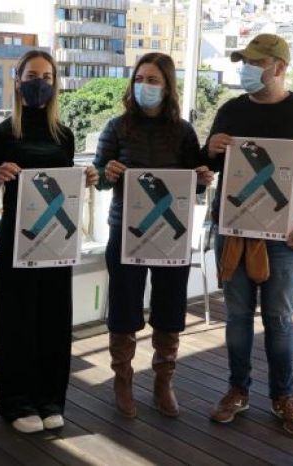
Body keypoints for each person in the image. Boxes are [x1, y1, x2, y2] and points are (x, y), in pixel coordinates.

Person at [202, 34, 293, 436]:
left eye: (255, 63)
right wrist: (210, 149)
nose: (246, 69)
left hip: (286, 235)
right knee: (238, 317)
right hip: (233, 229)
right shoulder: (229, 109)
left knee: (279, 318)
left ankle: (283, 396)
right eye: (244, 61)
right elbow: (205, 163)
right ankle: (237, 391)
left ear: (279, 67)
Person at [0, 50, 98, 434]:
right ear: (17, 80)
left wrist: (87, 180)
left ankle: (50, 399)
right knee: (17, 324)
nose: (40, 82)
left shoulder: (64, 134)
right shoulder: (0, 134)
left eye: (47, 76)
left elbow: (66, 187)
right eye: (33, 74)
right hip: (16, 240)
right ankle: (16, 404)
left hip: (57, 242)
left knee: (53, 321)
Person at [94, 52, 213, 419]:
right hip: (125, 230)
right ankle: (123, 381)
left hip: (171, 232)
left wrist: (202, 178)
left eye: (153, 80)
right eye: (140, 79)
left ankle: (164, 381)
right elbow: (98, 178)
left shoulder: (183, 131)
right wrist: (106, 173)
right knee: (125, 306)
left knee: (170, 306)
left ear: (168, 86)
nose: (145, 86)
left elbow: (194, 179)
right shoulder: (115, 127)